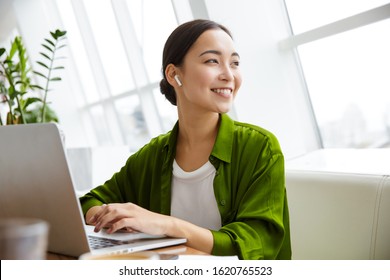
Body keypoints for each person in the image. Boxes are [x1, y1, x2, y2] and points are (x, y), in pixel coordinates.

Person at [80, 19, 292, 260]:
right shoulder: (153, 154)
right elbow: (88, 201)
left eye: (234, 63)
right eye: (212, 61)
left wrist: (166, 225)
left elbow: (256, 242)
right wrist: (112, 217)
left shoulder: (260, 147)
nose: (228, 75)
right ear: (174, 74)